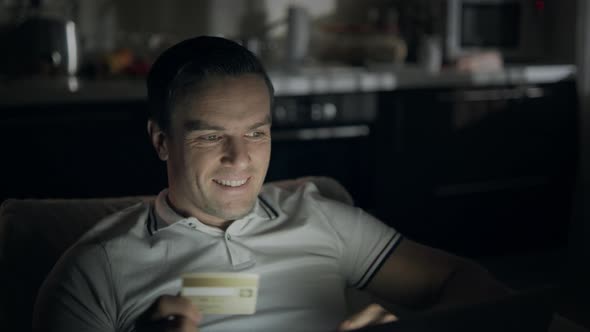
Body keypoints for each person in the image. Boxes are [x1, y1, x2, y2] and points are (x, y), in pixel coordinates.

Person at [32, 36, 509, 332]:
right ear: (161, 141)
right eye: (212, 135)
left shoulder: (318, 216)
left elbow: (470, 282)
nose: (241, 158)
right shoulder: (95, 272)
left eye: (256, 133)